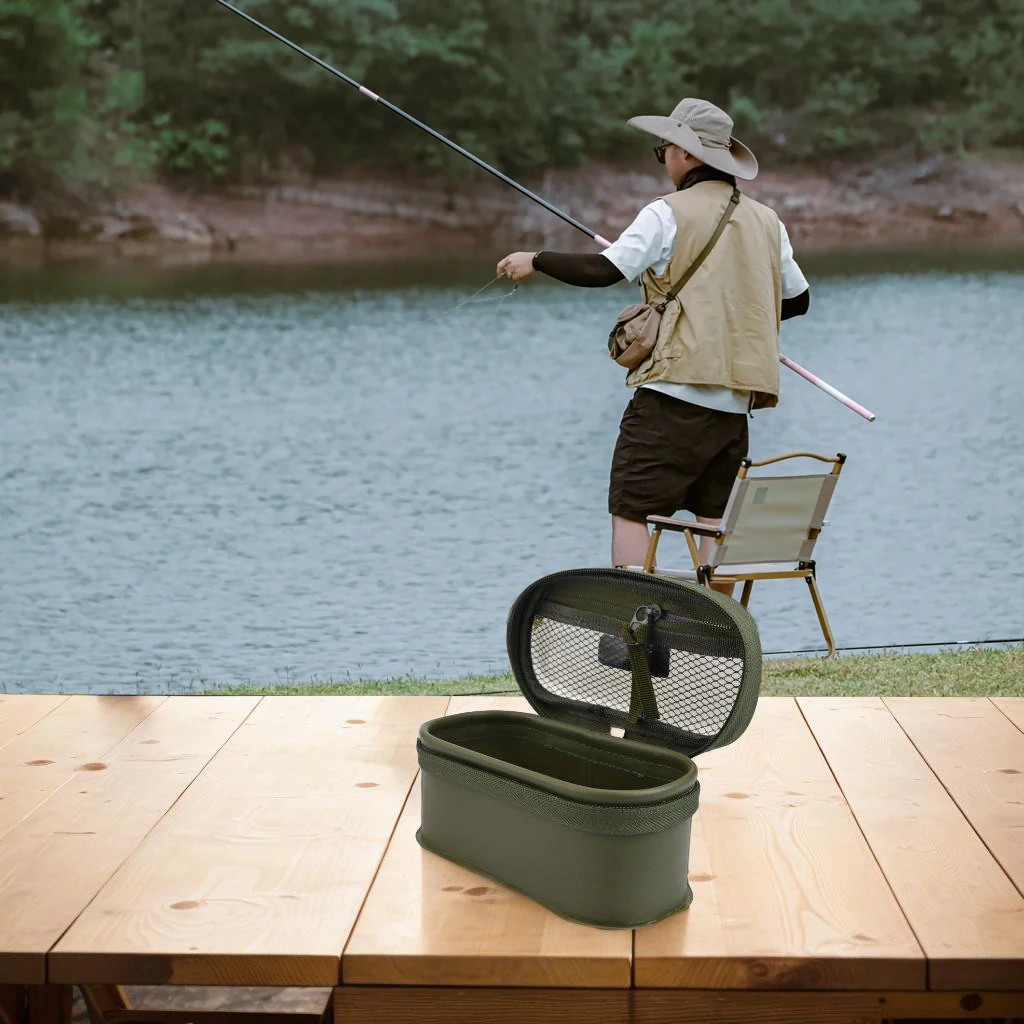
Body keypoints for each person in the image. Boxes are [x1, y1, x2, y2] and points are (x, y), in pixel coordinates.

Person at [497, 97, 810, 594]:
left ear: (686, 154)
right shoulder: (768, 222)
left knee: (631, 507)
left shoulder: (666, 212)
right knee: (712, 519)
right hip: (734, 407)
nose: (664, 158)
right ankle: (717, 625)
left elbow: (603, 271)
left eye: (664, 149)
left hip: (672, 396)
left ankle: (635, 618)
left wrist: (536, 259)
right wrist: (729, 309)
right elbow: (797, 301)